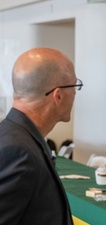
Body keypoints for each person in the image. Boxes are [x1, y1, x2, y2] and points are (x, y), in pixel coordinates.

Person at [0, 48, 83, 225]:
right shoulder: (18, 150)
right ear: (58, 95)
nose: (75, 93)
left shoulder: (19, 135)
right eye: (75, 86)